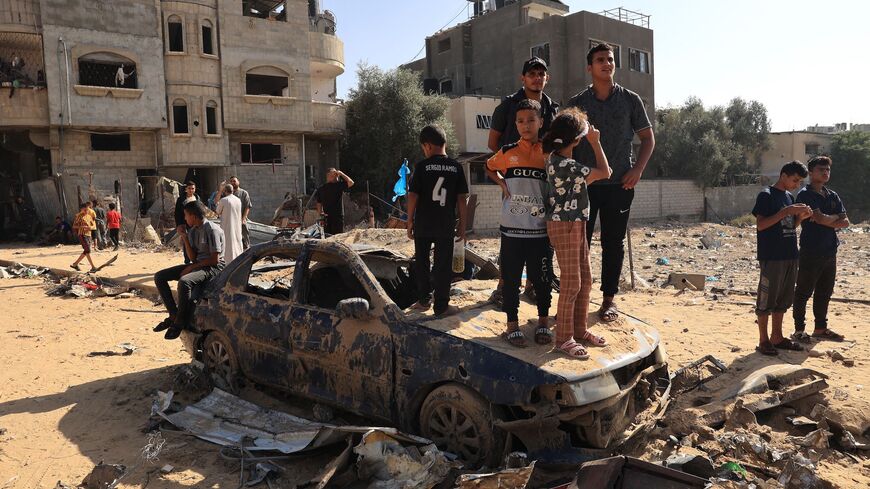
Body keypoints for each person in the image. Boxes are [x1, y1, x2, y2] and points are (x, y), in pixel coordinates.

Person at [566, 43, 655, 323]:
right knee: (581, 245)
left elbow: (648, 139)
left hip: (620, 185)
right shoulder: (577, 103)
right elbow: (564, 143)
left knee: (613, 243)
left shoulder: (630, 100)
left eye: (610, 59)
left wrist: (638, 169)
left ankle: (608, 300)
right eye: (600, 60)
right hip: (586, 186)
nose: (606, 63)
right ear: (589, 68)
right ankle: (578, 299)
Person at [543, 108, 612, 359]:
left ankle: (579, 330)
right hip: (566, 224)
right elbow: (606, 172)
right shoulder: (566, 164)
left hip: (575, 222)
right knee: (572, 283)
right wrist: (596, 142)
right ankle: (563, 339)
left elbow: (589, 180)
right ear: (576, 140)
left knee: (586, 280)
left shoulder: (557, 159)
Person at [485, 99, 552, 347]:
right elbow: (489, 166)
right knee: (511, 279)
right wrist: (502, 182)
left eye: (531, 120)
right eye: (521, 121)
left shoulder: (548, 153)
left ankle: (543, 323)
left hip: (540, 231)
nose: (526, 125)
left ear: (541, 122)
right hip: (512, 230)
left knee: (543, 279)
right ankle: (512, 326)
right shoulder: (507, 152)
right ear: (515, 124)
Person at [751, 161, 813, 356]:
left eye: (800, 182)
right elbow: (761, 225)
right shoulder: (766, 195)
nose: (796, 185)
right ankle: (764, 340)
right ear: (784, 175)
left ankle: (777, 337)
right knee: (766, 300)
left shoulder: (788, 197)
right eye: (795, 180)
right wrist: (786, 211)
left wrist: (800, 217)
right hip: (772, 256)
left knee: (783, 299)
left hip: (790, 254)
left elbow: (788, 226)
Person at [407, 124, 468, 317]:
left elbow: (413, 195)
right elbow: (461, 199)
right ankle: (441, 306)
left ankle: (424, 300)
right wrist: (463, 225)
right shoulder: (456, 167)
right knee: (442, 265)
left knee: (422, 262)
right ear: (445, 143)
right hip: (445, 224)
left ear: (427, 146)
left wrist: (409, 221)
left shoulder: (422, 167)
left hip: (424, 223)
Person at [792, 156, 850, 343]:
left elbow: (846, 222)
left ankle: (820, 328)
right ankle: (799, 330)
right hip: (811, 250)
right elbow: (821, 219)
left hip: (830, 251)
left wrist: (827, 218)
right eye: (821, 170)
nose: (825, 173)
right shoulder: (805, 195)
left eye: (827, 170)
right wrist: (834, 219)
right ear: (811, 172)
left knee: (824, 292)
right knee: (803, 292)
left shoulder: (832, 195)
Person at [153, 201, 225, 340]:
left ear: (193, 216)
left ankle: (180, 320)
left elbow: (214, 260)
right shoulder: (193, 231)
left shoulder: (212, 230)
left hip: (213, 267)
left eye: (186, 215)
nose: (185, 219)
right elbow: (193, 257)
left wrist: (192, 268)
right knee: (160, 276)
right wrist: (184, 238)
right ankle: (173, 314)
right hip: (199, 265)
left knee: (184, 282)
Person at [488, 57, 559, 153]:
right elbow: (492, 143)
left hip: (543, 166)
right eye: (532, 74)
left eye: (541, 74)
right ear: (523, 78)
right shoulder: (507, 106)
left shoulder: (552, 109)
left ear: (547, 78)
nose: (537, 78)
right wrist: (509, 162)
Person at [315, 168, 355, 235]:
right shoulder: (337, 186)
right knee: (336, 237)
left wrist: (320, 213)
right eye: (334, 175)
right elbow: (351, 182)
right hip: (335, 217)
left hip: (329, 217)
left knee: (328, 237)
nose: (337, 177)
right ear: (328, 176)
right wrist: (341, 173)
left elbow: (319, 203)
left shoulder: (322, 188)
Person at [216, 182, 244, 263]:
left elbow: (217, 211)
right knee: (237, 243)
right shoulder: (238, 200)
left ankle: (228, 262)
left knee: (227, 245)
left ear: (225, 191)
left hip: (227, 226)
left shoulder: (224, 200)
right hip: (237, 226)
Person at [174, 181, 200, 264]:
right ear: (186, 189)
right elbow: (177, 213)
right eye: (189, 188)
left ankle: (196, 260)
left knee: (196, 242)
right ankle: (187, 261)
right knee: (187, 242)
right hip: (185, 224)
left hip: (196, 224)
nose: (191, 190)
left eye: (193, 188)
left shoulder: (197, 197)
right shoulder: (181, 199)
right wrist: (179, 225)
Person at [70, 202, 97, 272]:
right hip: (82, 234)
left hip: (89, 235)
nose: (86, 211)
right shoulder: (79, 216)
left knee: (86, 250)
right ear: (81, 209)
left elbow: (93, 226)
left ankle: (75, 264)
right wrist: (81, 226)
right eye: (85, 210)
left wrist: (89, 227)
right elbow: (74, 226)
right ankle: (93, 267)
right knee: (88, 250)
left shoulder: (89, 216)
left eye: (87, 210)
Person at [229, 177, 253, 249]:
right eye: (231, 182)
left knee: (244, 233)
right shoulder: (228, 193)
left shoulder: (243, 193)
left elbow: (247, 206)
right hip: (231, 219)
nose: (233, 183)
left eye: (234, 181)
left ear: (238, 182)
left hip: (241, 218)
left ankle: (247, 248)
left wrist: (243, 218)